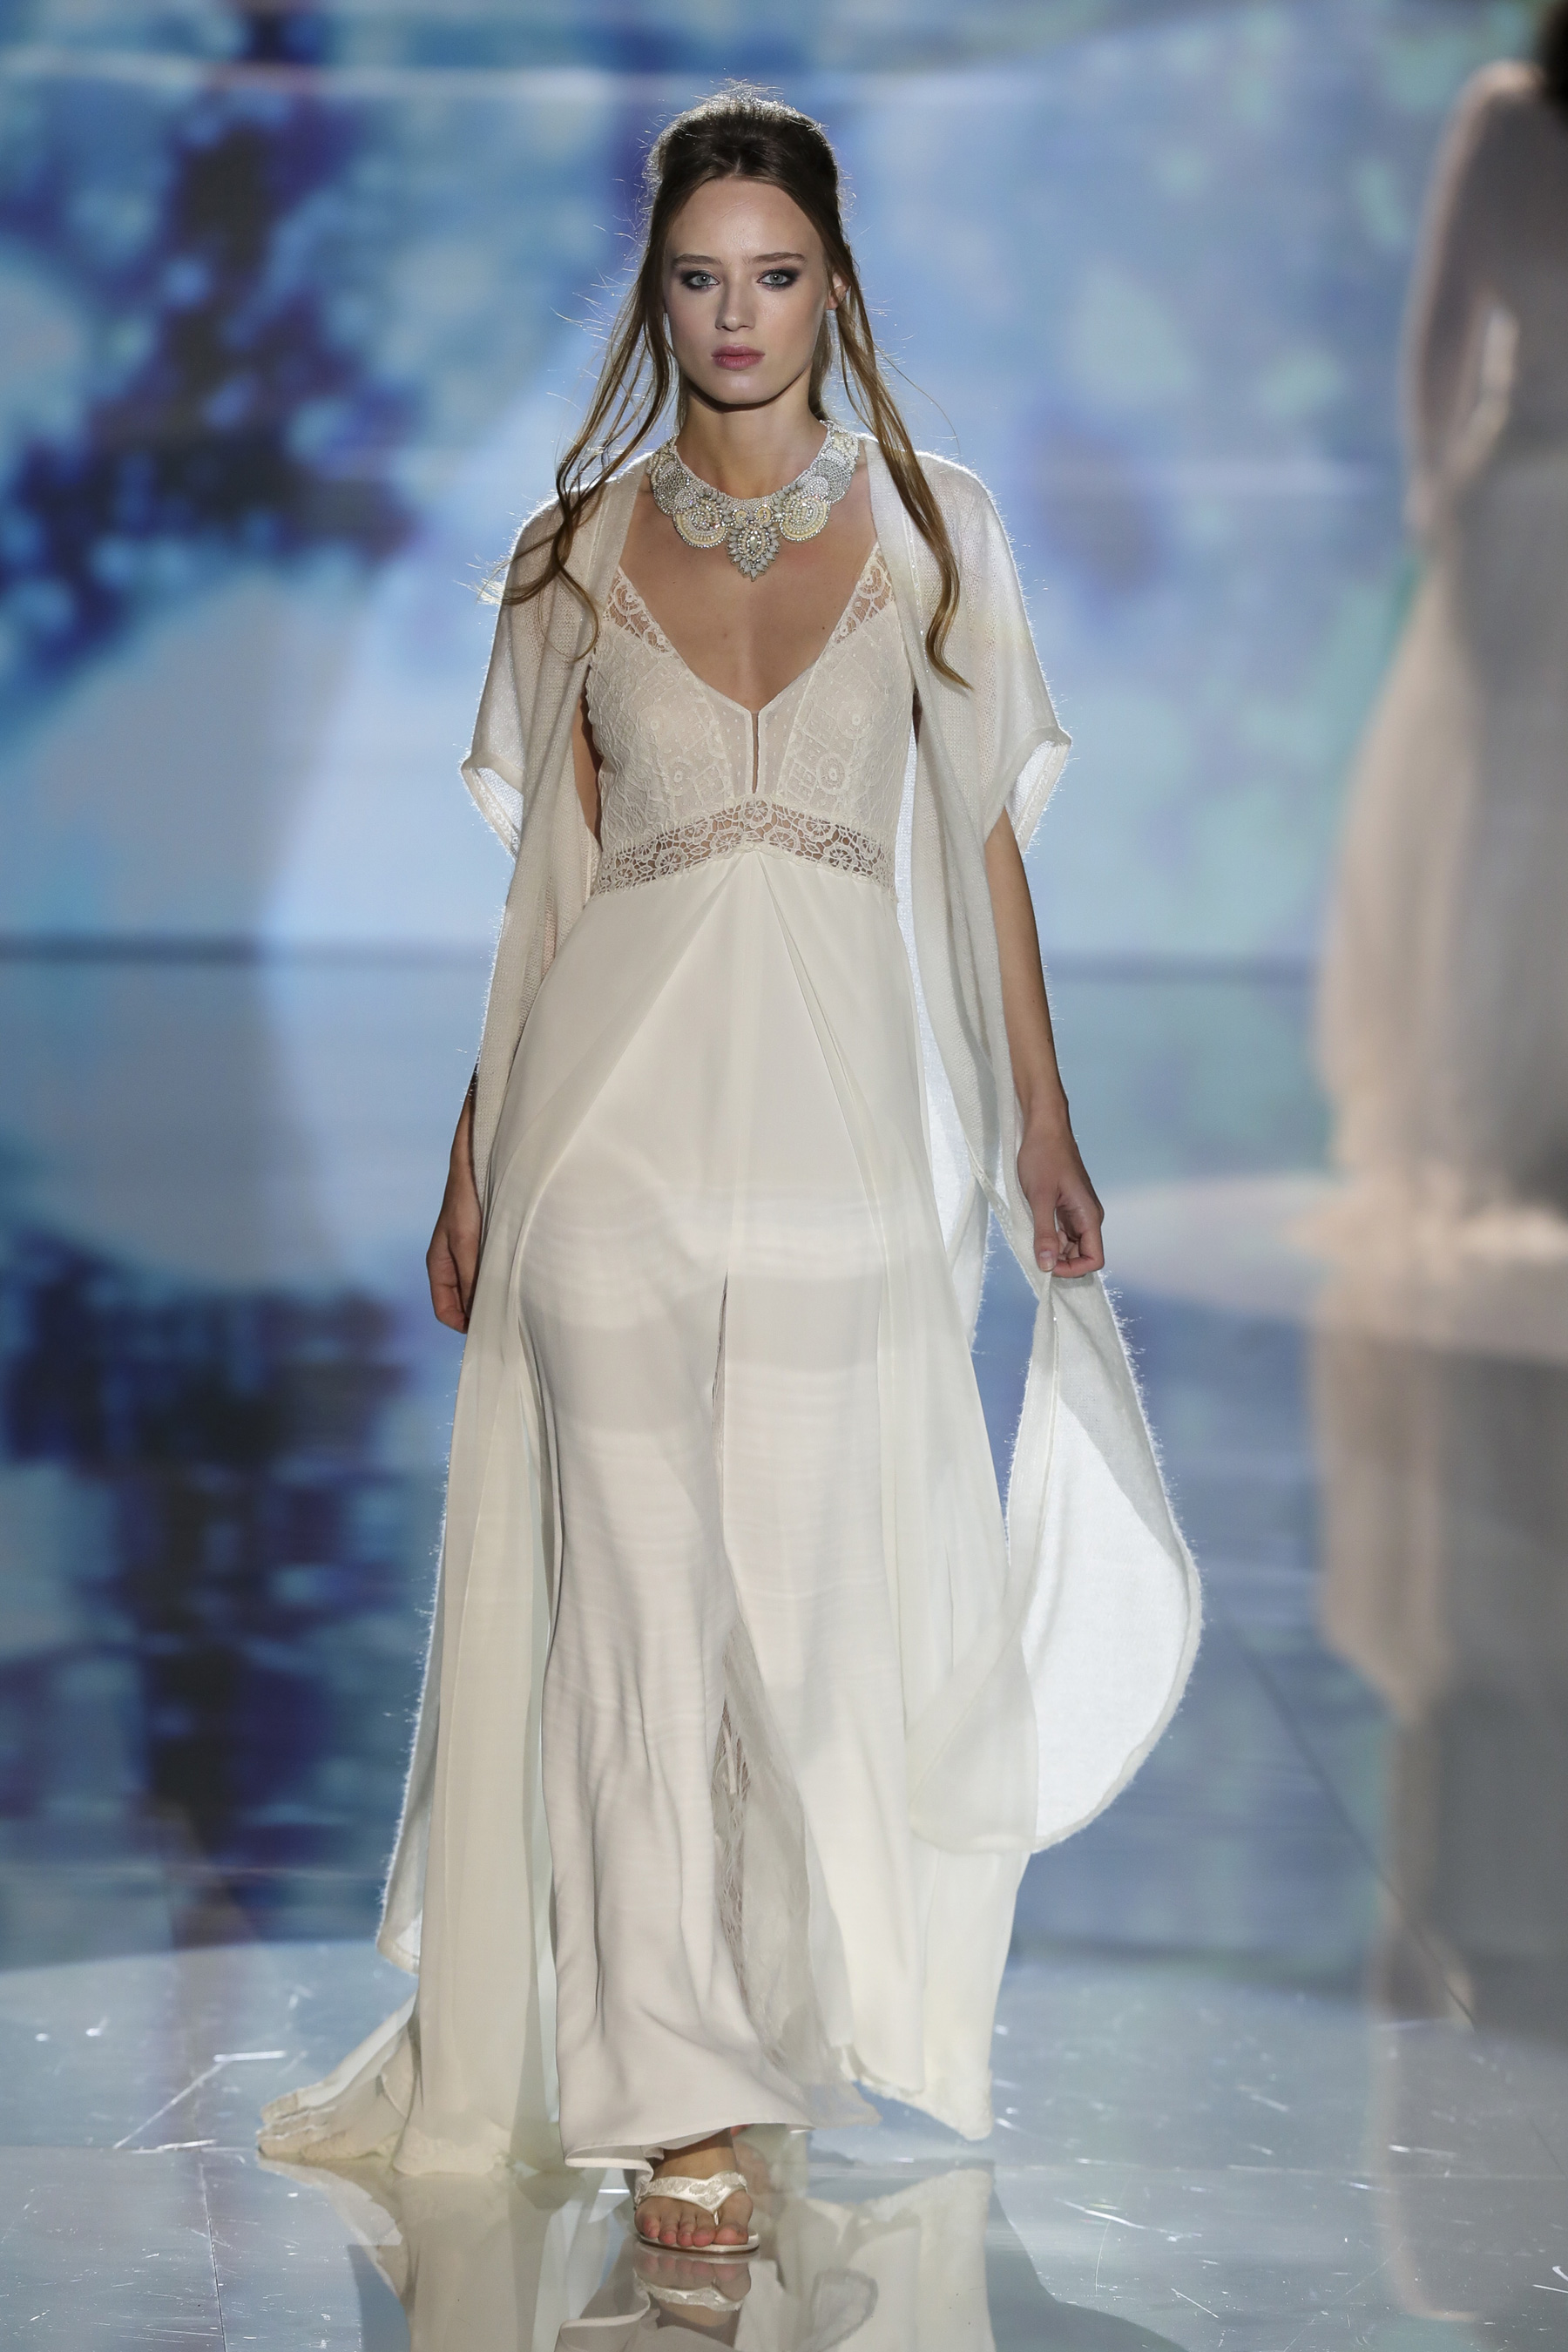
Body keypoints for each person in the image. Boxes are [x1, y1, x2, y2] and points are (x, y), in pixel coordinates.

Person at [258, 89, 1198, 2254]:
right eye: (700, 278)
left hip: (842, 1157)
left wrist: (1042, 1120)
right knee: (632, 1625)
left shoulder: (940, 531)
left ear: (835, 287)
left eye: (775, 275)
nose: (738, 314)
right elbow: (549, 899)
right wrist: (475, 1153)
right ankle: (677, 2096)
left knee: (795, 1621)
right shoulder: (572, 557)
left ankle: (761, 2033)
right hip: (603, 1140)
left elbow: (983, 854)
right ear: (658, 297)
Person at [1317, 6, 1568, 1227]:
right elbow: (1442, 330)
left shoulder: (1504, 121)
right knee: (1510, 814)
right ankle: (1508, 1120)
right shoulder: (1507, 118)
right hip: (1518, 518)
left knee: (1501, 814)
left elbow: (1441, 334)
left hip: (1507, 508)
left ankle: (1496, 1119)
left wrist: (1434, 487)